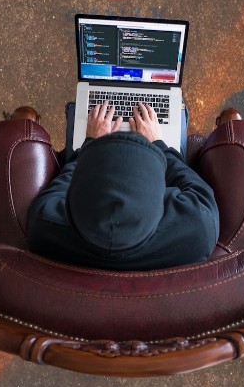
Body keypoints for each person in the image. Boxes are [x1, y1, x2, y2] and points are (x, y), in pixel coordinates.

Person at [24, 101, 219, 271]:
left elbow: (60, 184)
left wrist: (91, 142)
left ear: (73, 198)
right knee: (179, 111)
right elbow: (192, 183)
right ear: (161, 197)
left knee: (77, 112)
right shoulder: (199, 226)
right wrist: (158, 143)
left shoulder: (44, 224)